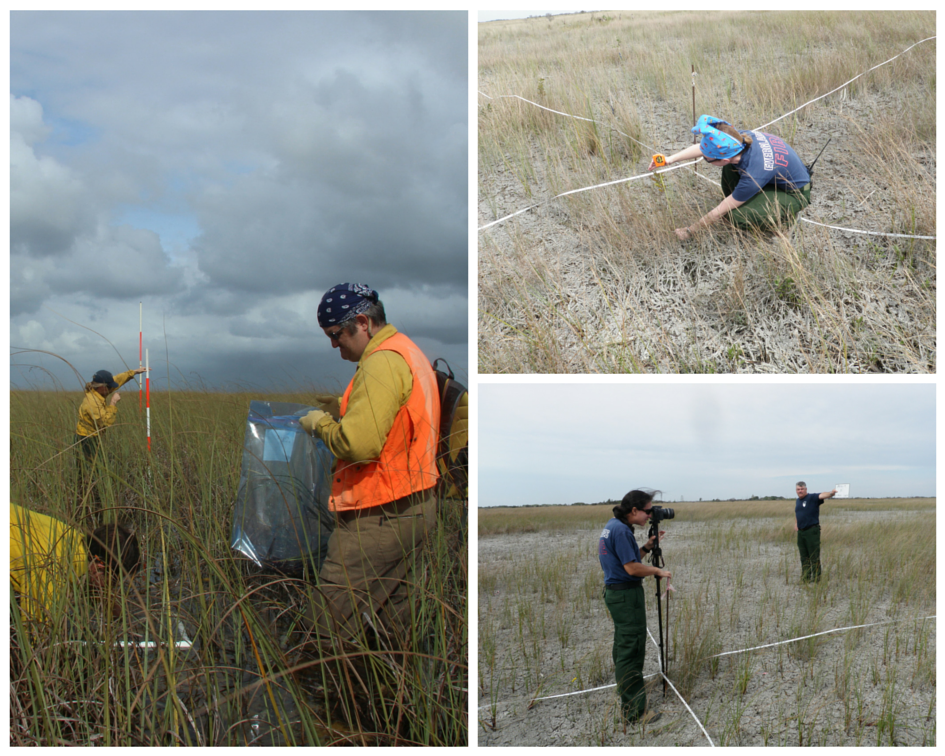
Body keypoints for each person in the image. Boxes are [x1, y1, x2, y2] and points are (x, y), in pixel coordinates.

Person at [299, 283, 440, 647]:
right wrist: (343, 411)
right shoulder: (407, 350)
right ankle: (391, 699)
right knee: (393, 628)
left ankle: (327, 698)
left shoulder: (380, 363)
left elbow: (360, 445)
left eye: (336, 335)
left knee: (326, 627)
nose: (334, 345)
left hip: (380, 515)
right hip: (415, 506)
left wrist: (321, 424)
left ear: (362, 322)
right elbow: (399, 426)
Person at [649, 114, 811, 239]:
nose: (704, 158)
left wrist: (690, 231)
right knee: (730, 171)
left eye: (707, 159)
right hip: (773, 178)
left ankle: (785, 221)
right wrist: (669, 160)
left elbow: (719, 211)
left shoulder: (753, 173)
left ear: (724, 158)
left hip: (796, 193)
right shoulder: (738, 139)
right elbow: (702, 147)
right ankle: (748, 201)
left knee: (734, 216)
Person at [598, 489, 671, 726]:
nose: (650, 516)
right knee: (632, 649)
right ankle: (634, 712)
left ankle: (625, 689)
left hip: (617, 594)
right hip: (626, 596)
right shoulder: (620, 530)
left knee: (623, 645)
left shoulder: (614, 525)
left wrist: (647, 547)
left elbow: (628, 560)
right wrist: (658, 570)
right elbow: (632, 569)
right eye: (648, 511)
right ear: (634, 510)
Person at [10, 503, 141, 624]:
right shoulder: (50, 572)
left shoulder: (71, 537)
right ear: (100, 566)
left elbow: (94, 587)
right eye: (114, 581)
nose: (112, 586)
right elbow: (34, 634)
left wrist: (120, 619)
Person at [74, 368, 148, 510]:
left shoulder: (99, 390)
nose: (110, 390)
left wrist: (134, 372)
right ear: (102, 387)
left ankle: (92, 497)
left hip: (91, 438)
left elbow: (117, 380)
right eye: (108, 387)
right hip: (87, 440)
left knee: (93, 470)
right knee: (91, 473)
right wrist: (113, 403)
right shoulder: (92, 402)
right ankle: (90, 503)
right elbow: (105, 421)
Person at [794, 481, 837, 583]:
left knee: (814, 556)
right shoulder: (798, 501)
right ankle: (805, 578)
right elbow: (798, 513)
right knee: (804, 556)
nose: (800, 491)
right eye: (798, 489)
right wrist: (796, 524)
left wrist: (831, 493)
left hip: (811, 531)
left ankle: (817, 579)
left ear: (806, 489)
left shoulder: (812, 498)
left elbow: (822, 495)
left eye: (802, 489)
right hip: (801, 532)